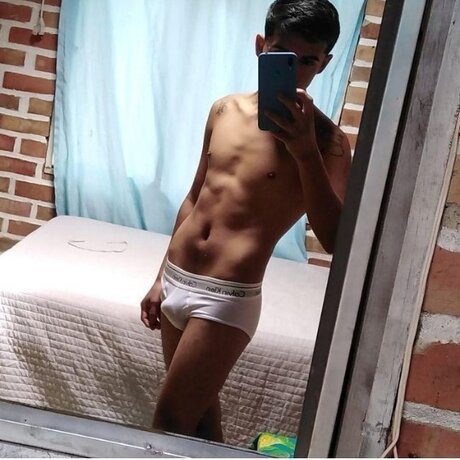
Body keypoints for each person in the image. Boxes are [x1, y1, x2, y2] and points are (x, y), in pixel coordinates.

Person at [140, 0, 351, 443]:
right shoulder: (224, 110)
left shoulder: (328, 142)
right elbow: (195, 198)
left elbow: (335, 238)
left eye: (307, 61)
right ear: (260, 47)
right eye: (281, 56)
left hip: (226, 296)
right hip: (178, 275)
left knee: (169, 424)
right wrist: (160, 278)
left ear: (325, 63)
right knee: (200, 425)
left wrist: (304, 153)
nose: (295, 71)